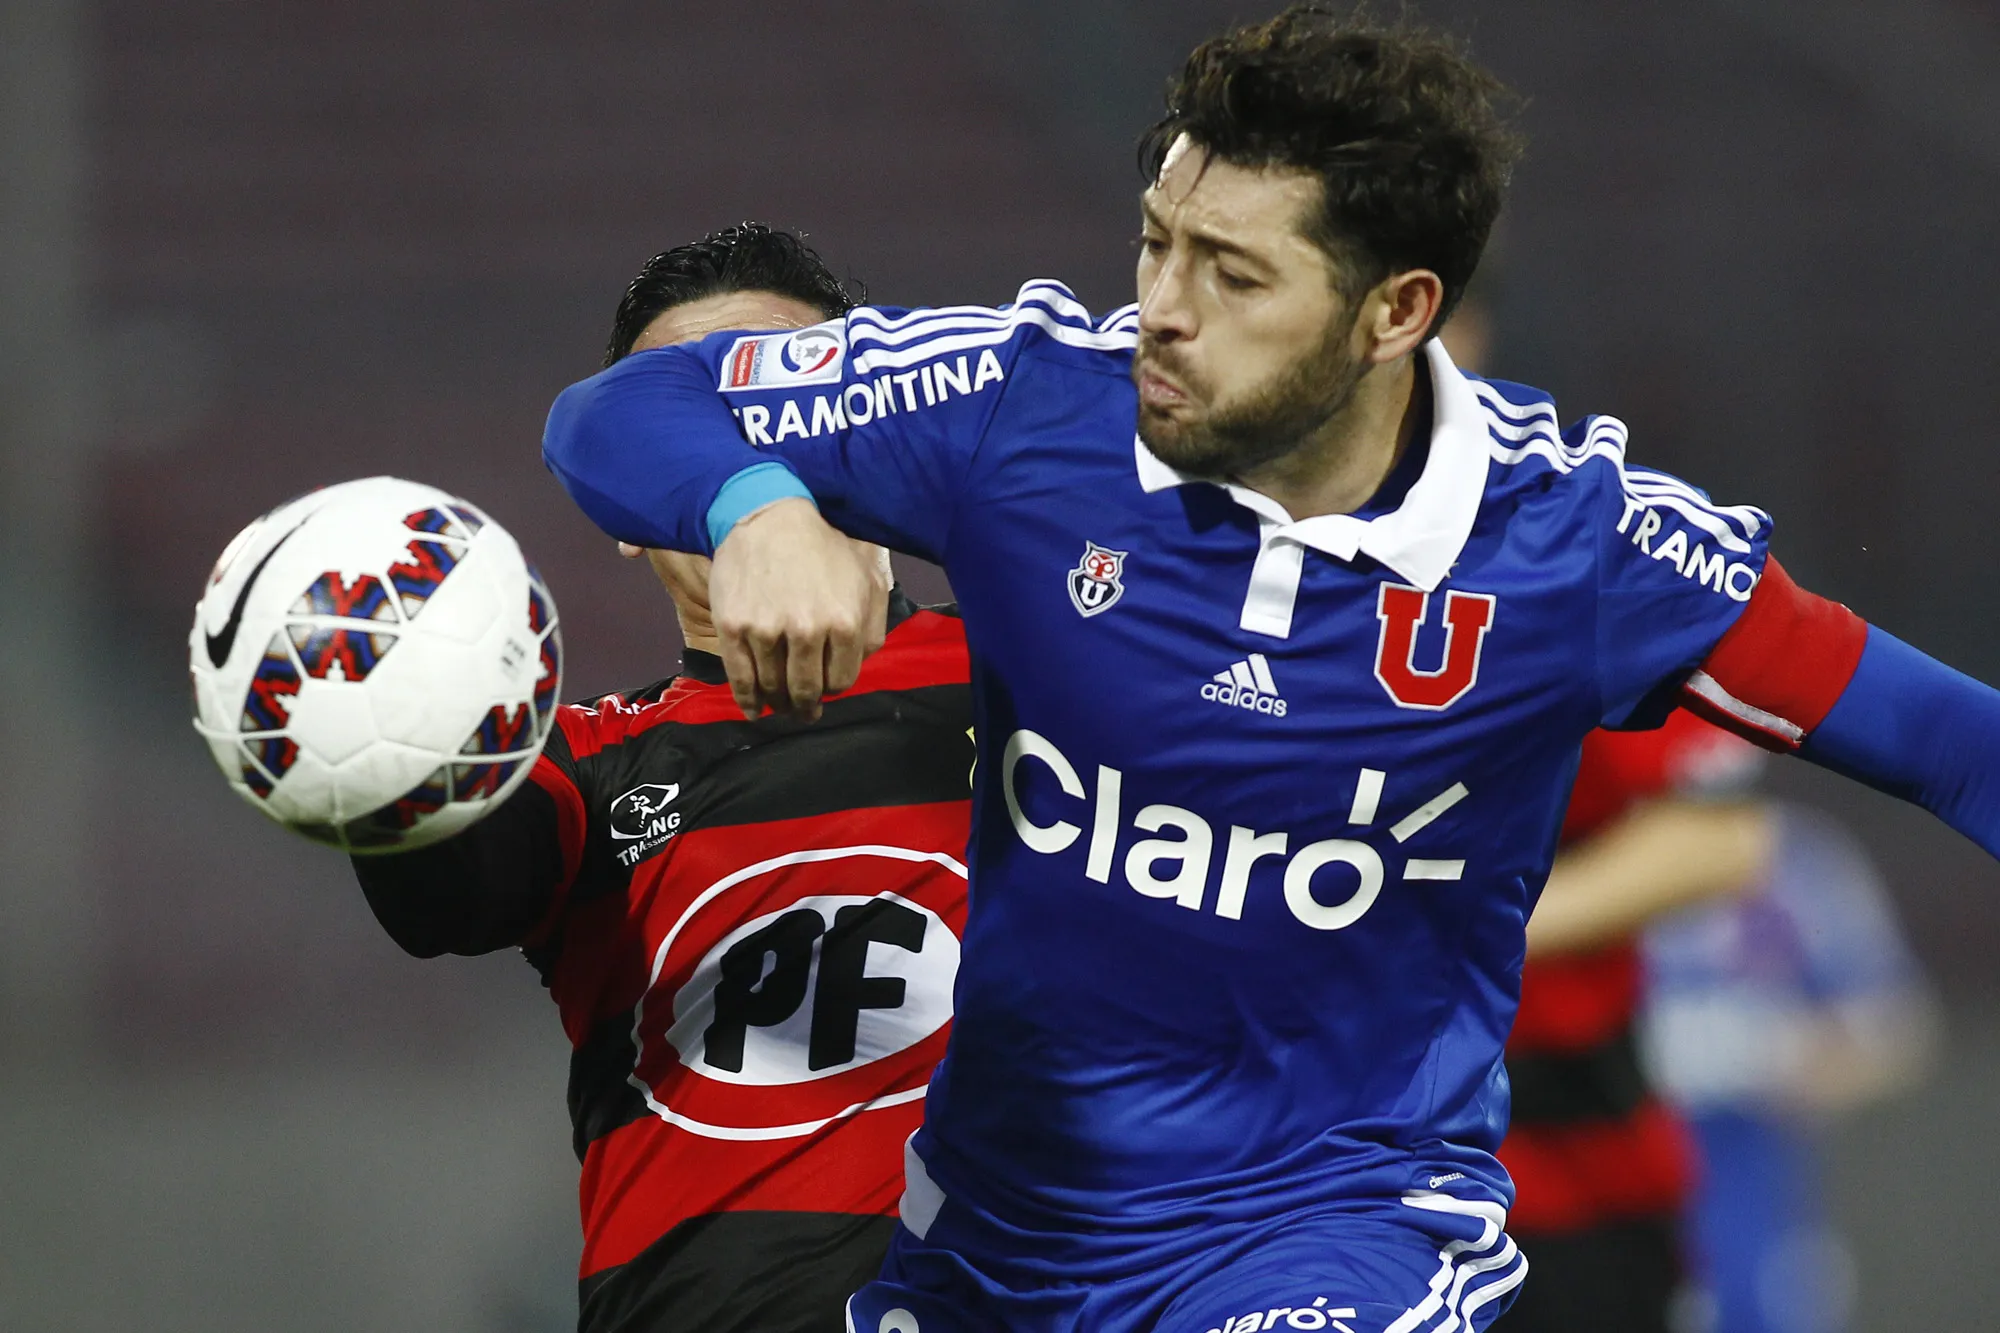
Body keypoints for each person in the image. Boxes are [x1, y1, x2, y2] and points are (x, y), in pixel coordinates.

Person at [539, 9, 2000, 1330]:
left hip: (1334, 1235)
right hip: (997, 1247)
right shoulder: (1026, 404)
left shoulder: (1580, 550)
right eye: (1157, 240)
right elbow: (616, 414)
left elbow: (1949, 742)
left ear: (1396, 313)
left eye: (1233, 273)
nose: (1164, 308)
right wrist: (761, 505)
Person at [353, 224, 975, 1333]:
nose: (753, 459)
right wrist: (374, 722)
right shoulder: (590, 764)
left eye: (786, 405)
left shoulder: (1050, 678)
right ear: (635, 510)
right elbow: (450, 889)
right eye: (692, 423)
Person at [1497, 714, 1774, 1333]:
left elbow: (1720, 836)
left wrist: (1466, 923)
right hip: (1301, 1175)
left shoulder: (1549, 618)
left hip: (1565, 1180)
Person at [1644, 807, 1937, 1333]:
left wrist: (1774, 1053)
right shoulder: (1559, 843)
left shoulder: (1794, 861)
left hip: (1757, 1205)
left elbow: (1897, 1029)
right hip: (1595, 1197)